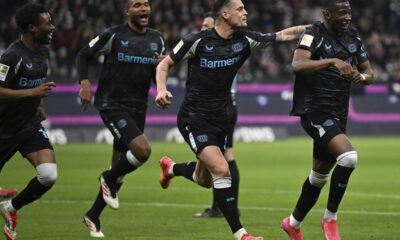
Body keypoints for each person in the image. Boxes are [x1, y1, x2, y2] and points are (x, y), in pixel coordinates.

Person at [155, 0, 307, 239]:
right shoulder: (196, 41)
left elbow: (282, 35)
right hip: (194, 117)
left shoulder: (245, 39)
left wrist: (314, 28)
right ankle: (242, 235)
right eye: (240, 9)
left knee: (204, 179)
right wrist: (161, 89)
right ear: (224, 13)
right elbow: (165, 63)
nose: (246, 12)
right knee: (221, 169)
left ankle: (171, 168)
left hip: (221, 118)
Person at [280, 0, 374, 239]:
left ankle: (293, 223)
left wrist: (359, 76)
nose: (347, 17)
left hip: (338, 112)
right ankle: (330, 218)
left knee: (319, 176)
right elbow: (297, 65)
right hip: (315, 111)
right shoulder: (314, 34)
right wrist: (332, 61)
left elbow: (370, 73)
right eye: (341, 12)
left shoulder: (353, 38)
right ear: (327, 14)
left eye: (349, 11)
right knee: (349, 157)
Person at [76, 0, 166, 238]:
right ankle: (107, 177)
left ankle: (93, 215)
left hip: (138, 107)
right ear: (127, 12)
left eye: (146, 4)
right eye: (137, 5)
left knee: (121, 168)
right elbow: (83, 54)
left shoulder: (158, 39)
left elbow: (162, 68)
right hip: (112, 104)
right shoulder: (113, 36)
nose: (144, 8)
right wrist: (84, 83)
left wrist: (161, 73)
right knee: (142, 151)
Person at [0, 3, 57, 240]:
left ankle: (10, 208)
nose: (52, 28)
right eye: (48, 24)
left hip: (28, 125)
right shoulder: (12, 56)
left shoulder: (44, 52)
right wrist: (32, 94)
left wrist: (39, 104)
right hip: (2, 128)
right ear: (32, 28)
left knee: (48, 175)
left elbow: (38, 79)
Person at [193, 11, 238, 218]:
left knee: (223, 158)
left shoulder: (219, 48)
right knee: (223, 157)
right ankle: (223, 206)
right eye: (202, 27)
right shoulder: (205, 46)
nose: (202, 30)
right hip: (224, 106)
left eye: (206, 27)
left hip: (223, 106)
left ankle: (221, 207)